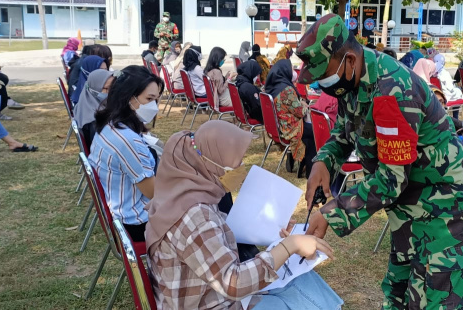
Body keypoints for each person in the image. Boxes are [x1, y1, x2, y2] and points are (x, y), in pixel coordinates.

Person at [296, 14, 463, 309]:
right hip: (410, 211)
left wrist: (330, 213)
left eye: (325, 76)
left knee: (434, 302)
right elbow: (344, 130)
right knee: (399, 297)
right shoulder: (354, 78)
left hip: (445, 214)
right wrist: (325, 160)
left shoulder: (392, 91)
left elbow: (390, 181)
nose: (324, 85)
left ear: (349, 59)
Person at [145, 120, 341, 309]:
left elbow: (212, 243)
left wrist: (269, 231)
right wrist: (289, 245)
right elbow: (233, 283)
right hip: (214, 302)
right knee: (299, 291)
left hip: (205, 295)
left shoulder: (179, 196)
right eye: (236, 162)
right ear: (211, 163)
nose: (241, 168)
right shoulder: (195, 215)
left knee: (297, 280)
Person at [90, 65, 164, 241]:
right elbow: (154, 192)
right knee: (213, 197)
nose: (155, 107)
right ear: (129, 98)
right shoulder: (128, 141)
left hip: (121, 212)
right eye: (149, 99)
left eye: (157, 99)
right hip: (137, 223)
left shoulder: (109, 126)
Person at [265, 59, 316, 177]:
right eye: (291, 69)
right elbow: (300, 112)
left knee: (309, 133)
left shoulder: (272, 87)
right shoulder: (286, 90)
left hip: (281, 127)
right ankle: (310, 171)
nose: (293, 72)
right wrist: (304, 104)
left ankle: (301, 164)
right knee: (314, 132)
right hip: (291, 128)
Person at [74, 69, 115, 150]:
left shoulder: (85, 103)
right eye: (107, 88)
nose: (112, 92)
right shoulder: (95, 120)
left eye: (113, 87)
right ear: (94, 90)